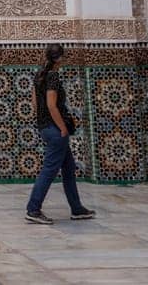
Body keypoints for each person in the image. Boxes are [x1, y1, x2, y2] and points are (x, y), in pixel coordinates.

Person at [24, 43, 96, 225]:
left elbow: (35, 103)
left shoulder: (39, 74)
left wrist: (43, 122)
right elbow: (51, 105)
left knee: (69, 169)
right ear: (60, 58)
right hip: (55, 130)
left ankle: (77, 208)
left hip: (45, 127)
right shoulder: (53, 76)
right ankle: (33, 209)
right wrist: (62, 127)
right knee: (49, 170)